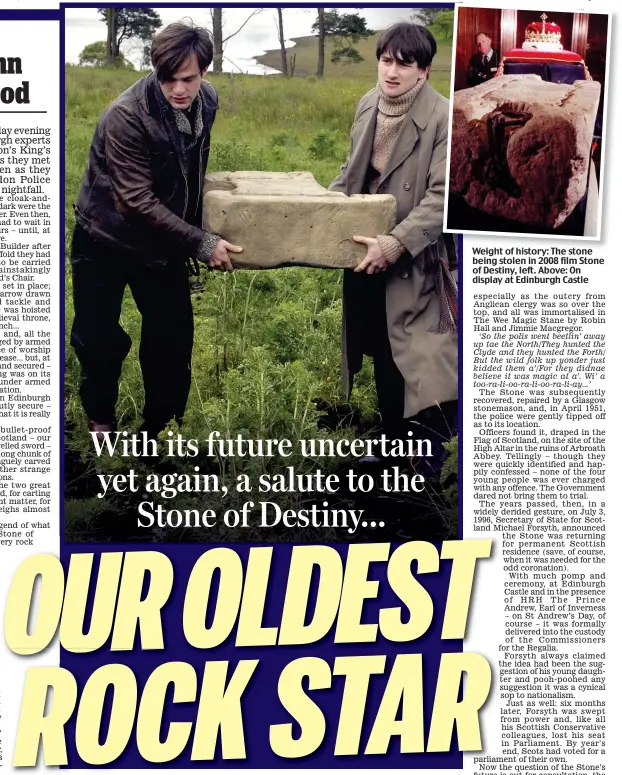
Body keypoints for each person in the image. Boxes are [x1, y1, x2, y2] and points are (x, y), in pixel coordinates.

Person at [70, 21, 242, 440]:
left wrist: (197, 229)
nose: (179, 89)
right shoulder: (126, 116)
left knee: (171, 338)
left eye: (189, 78)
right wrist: (201, 243)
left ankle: (160, 431)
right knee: (99, 340)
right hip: (104, 238)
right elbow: (136, 200)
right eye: (168, 79)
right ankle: (101, 422)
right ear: (155, 70)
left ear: (204, 72)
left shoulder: (207, 102)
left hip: (161, 244)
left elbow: (192, 171)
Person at [329, 22, 458, 475]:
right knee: (380, 348)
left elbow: (442, 197)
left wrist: (396, 242)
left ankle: (430, 471)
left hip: (415, 259)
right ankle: (391, 448)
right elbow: (350, 175)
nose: (392, 71)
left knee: (423, 362)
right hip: (365, 254)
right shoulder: (368, 104)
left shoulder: (444, 117)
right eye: (386, 60)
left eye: (405, 64)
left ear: (424, 70)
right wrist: (316, 216)